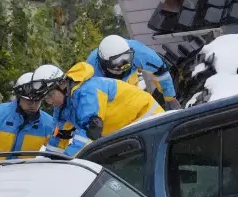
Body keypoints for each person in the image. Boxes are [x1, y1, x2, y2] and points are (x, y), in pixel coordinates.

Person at [34, 62, 163, 157]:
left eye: (51, 95)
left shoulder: (87, 91)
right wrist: (49, 161)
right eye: (46, 98)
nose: (50, 102)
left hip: (150, 121)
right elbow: (59, 136)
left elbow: (91, 131)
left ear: (62, 85)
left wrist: (66, 161)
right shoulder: (62, 107)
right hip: (130, 132)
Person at [87, 35, 181, 110]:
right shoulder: (92, 72)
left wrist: (170, 97)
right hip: (107, 88)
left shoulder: (141, 53)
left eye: (126, 57)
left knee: (134, 102)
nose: (124, 65)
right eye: (117, 61)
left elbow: (162, 73)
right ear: (104, 62)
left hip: (130, 79)